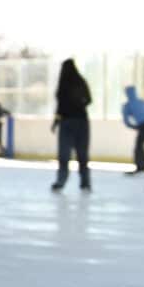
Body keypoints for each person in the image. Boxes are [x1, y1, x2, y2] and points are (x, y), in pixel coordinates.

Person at [50, 58, 92, 193]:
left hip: (69, 122)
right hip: (80, 121)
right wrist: (79, 105)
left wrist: (57, 121)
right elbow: (89, 100)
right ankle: (84, 183)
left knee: (66, 154)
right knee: (81, 154)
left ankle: (62, 181)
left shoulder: (63, 84)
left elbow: (60, 107)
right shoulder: (80, 81)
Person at [121, 85, 144, 176]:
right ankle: (142, 167)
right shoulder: (142, 102)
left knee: (139, 145)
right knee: (140, 145)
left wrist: (134, 126)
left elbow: (126, 120)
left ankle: (141, 167)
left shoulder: (127, 105)